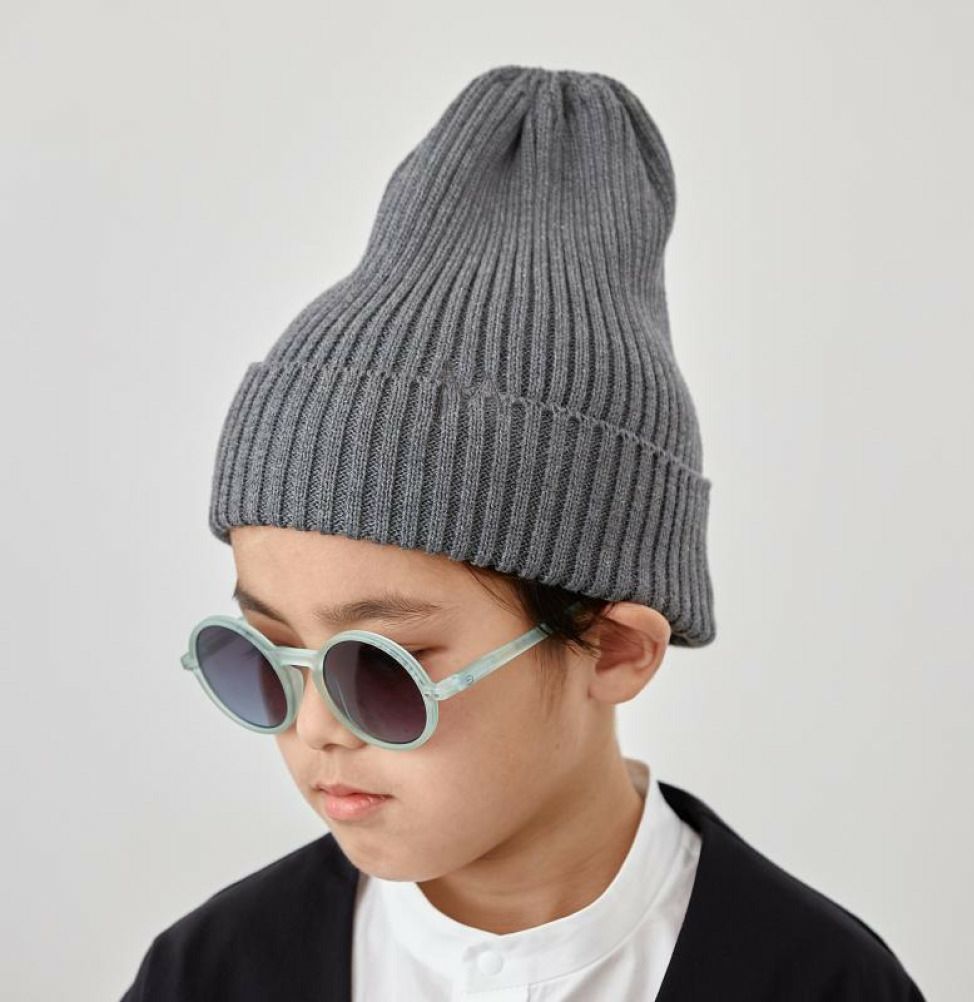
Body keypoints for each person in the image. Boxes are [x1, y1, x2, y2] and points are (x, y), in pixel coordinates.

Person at [120, 64, 926, 1001]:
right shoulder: (210, 974)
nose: (314, 731)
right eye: (265, 659)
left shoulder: (820, 984)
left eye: (381, 669)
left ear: (613, 648)